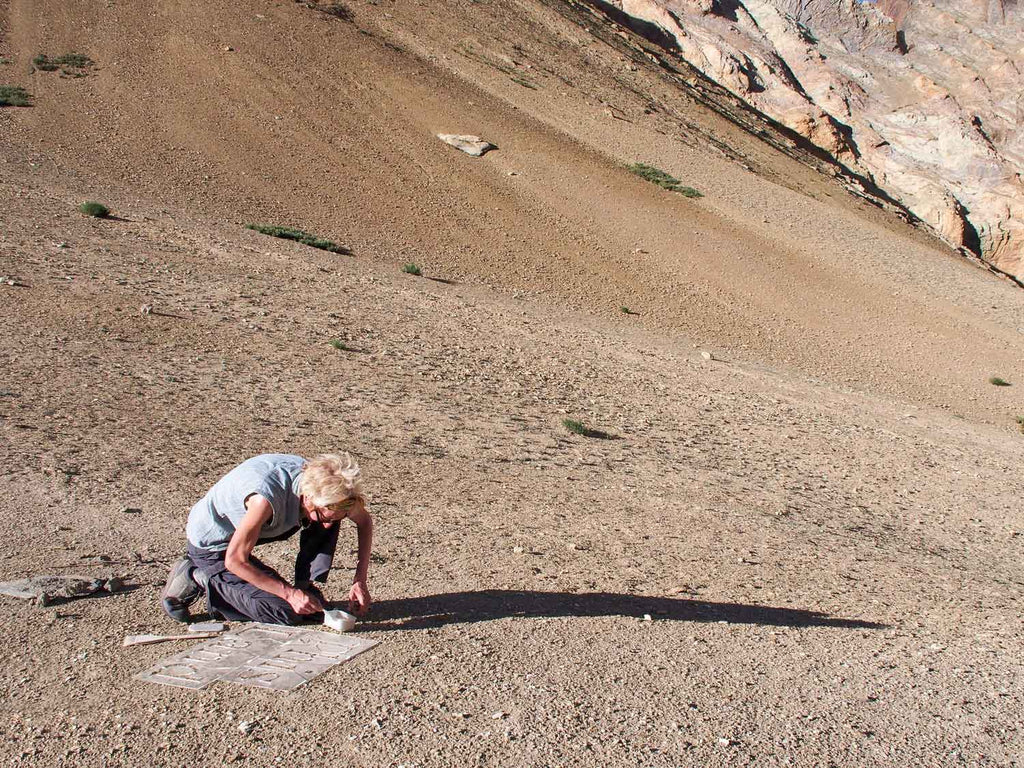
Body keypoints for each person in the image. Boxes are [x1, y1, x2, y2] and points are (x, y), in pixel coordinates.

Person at [161, 452, 373, 625]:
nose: (327, 524)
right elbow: (235, 560)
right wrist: (289, 595)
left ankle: (304, 586)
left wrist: (360, 581)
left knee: (327, 521)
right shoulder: (263, 499)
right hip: (215, 544)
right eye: (322, 516)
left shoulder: (332, 489)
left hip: (255, 527)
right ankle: (198, 576)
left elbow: (364, 522)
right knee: (284, 612)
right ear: (307, 497)